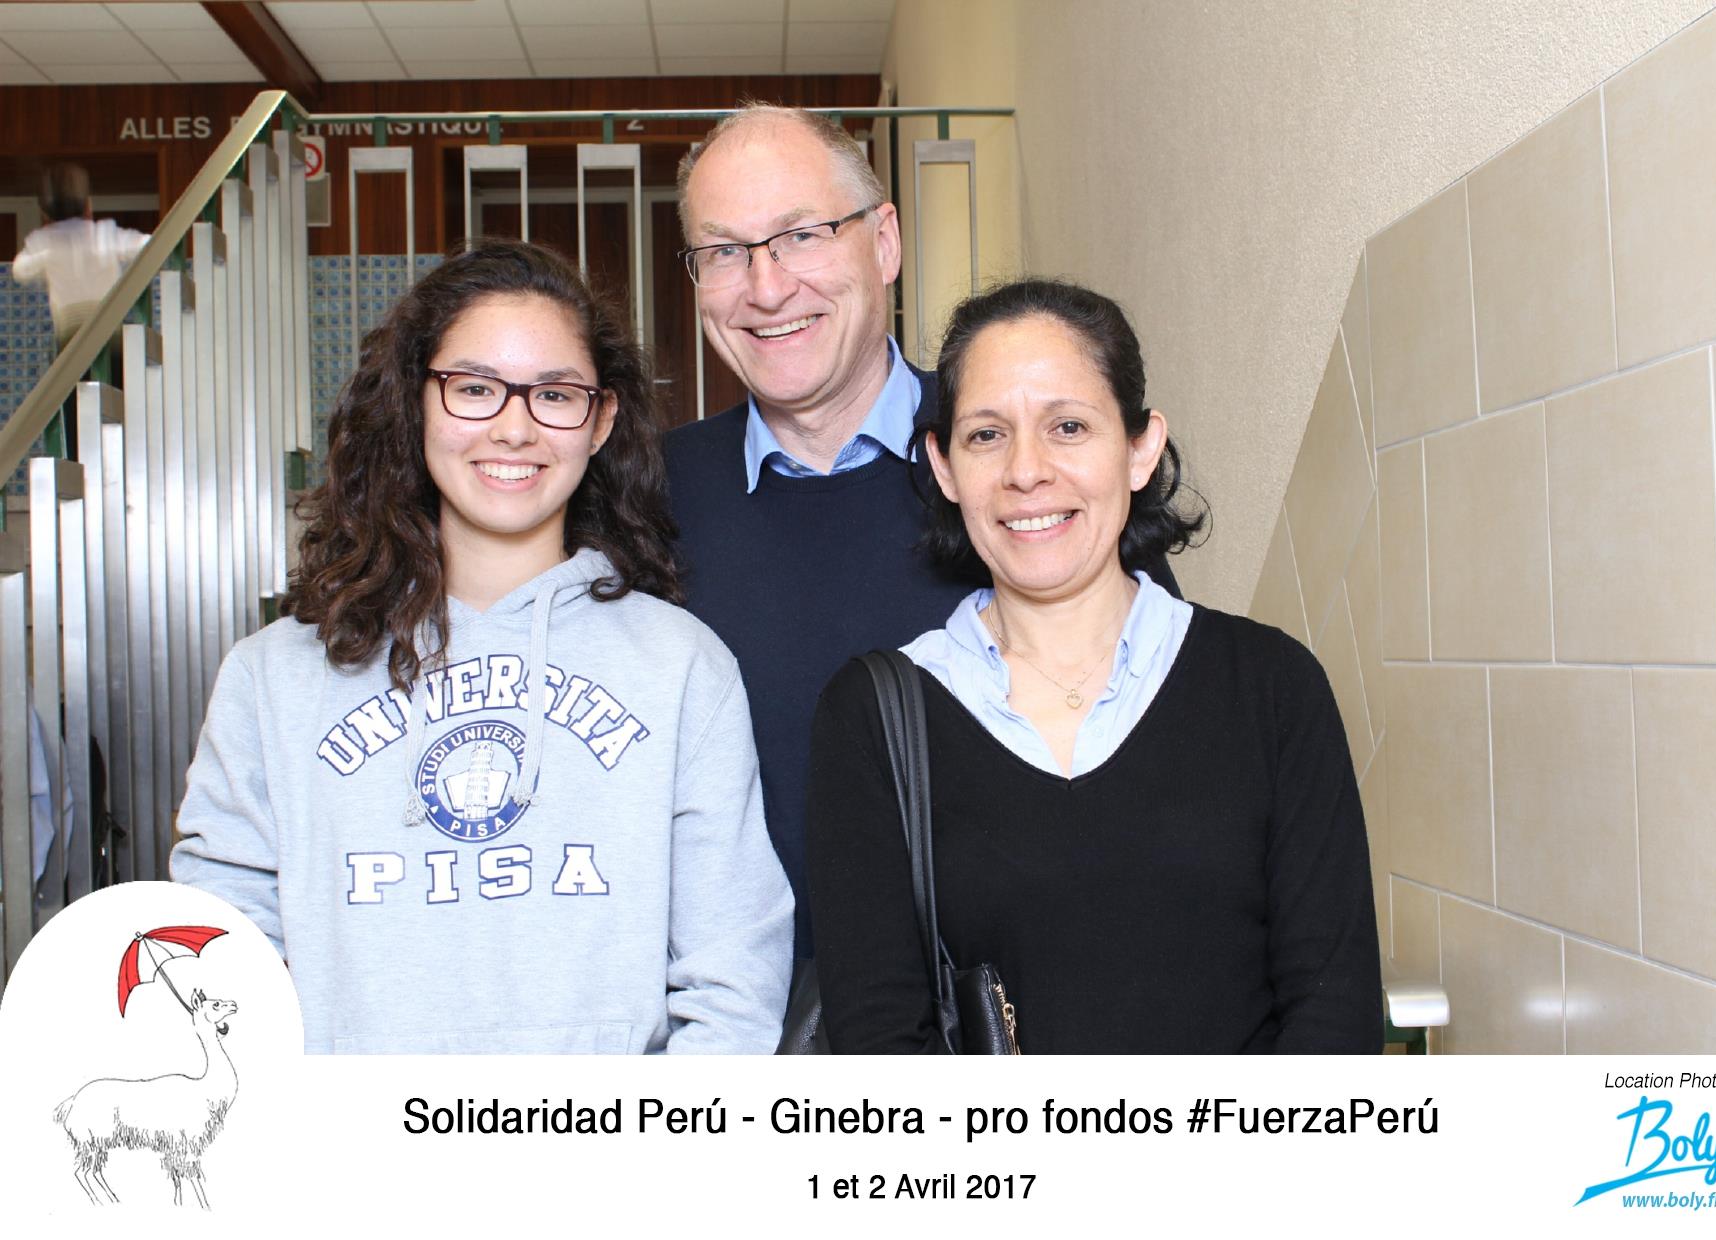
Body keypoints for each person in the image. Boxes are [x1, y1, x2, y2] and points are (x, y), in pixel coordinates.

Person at [171, 240, 792, 1054]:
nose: (513, 428)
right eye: (473, 388)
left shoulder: (680, 666)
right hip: (352, 1134)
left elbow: (733, 976)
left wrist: (650, 1138)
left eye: (555, 395)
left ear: (600, 421)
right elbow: (224, 949)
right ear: (416, 402)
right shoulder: (271, 678)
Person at [807, 279, 1381, 1054]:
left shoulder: (1273, 689)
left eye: (1069, 426)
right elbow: (881, 1046)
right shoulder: (872, 719)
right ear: (943, 468)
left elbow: (1334, 1018)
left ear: (1140, 448)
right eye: (986, 435)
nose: (1026, 470)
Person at [665, 105, 1178, 965]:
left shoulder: (1027, 468)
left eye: (801, 235)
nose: (766, 287)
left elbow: (1165, 741)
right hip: (745, 1018)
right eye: (724, 252)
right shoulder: (648, 497)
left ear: (884, 243)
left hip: (1025, 1007)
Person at [11, 164, 149, 351]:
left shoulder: (43, 241)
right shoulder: (105, 234)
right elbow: (147, 245)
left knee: (71, 369)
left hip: (70, 339)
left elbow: (20, 270)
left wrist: (50, 256)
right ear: (88, 205)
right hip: (110, 333)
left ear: (45, 215)